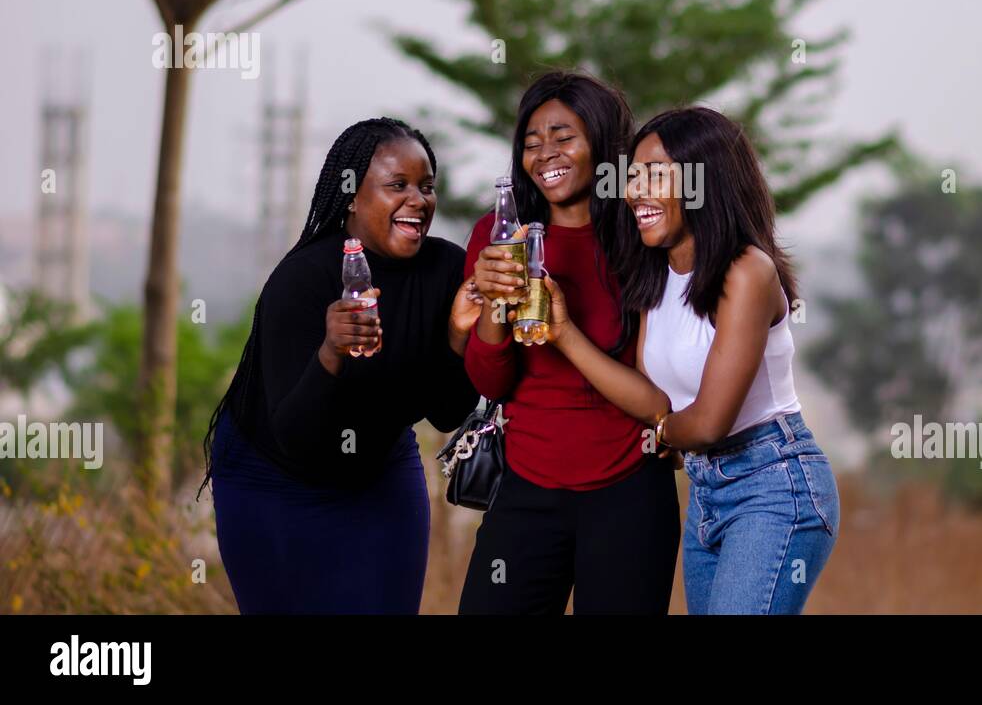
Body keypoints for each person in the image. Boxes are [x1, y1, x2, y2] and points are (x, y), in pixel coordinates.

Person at [543, 106, 840, 614]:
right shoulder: (654, 274)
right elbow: (652, 398)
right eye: (634, 175)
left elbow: (705, 424)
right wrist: (564, 332)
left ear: (708, 181)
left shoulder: (747, 272)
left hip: (773, 485)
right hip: (705, 494)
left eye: (657, 174)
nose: (636, 190)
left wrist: (662, 433)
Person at [199, 117, 482, 614]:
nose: (418, 200)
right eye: (398, 185)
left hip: (378, 464)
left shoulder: (446, 271)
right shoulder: (303, 279)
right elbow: (295, 434)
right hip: (271, 477)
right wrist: (331, 352)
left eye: (426, 187)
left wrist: (458, 336)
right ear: (351, 196)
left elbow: (446, 413)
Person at [457, 71, 680, 615]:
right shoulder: (500, 236)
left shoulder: (640, 235)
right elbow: (490, 380)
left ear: (602, 145)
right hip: (527, 488)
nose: (545, 155)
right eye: (531, 144)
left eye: (563, 137)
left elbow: (669, 376)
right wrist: (491, 306)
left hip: (630, 493)